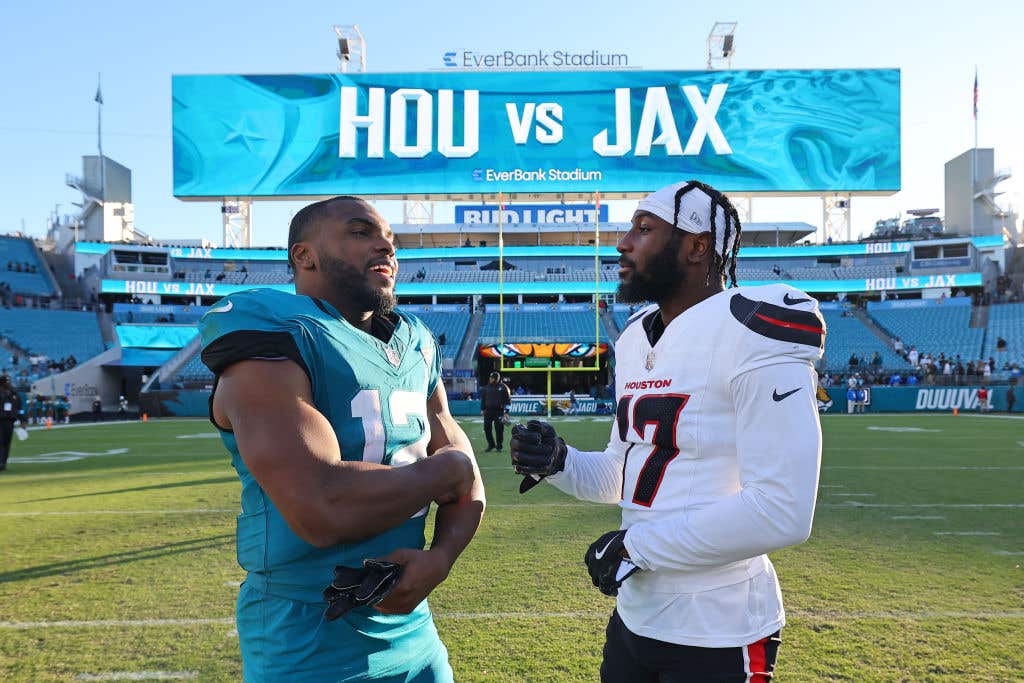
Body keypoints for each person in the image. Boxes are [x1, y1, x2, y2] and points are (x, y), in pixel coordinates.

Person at [509, 180, 824, 681]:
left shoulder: (753, 326)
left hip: (720, 627)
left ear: (698, 246)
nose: (623, 242)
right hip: (636, 617)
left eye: (644, 228)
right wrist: (560, 462)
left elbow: (782, 511)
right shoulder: (635, 337)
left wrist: (637, 547)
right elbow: (622, 474)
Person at [197, 196, 485, 682]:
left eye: (390, 240)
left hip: (411, 622)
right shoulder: (273, 336)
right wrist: (446, 470)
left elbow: (467, 479)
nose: (385, 247)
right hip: (309, 631)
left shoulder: (416, 341)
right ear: (303, 256)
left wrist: (440, 558)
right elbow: (322, 506)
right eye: (360, 232)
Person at [479, 371, 511, 452]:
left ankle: (499, 446)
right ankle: (491, 445)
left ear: (496, 378)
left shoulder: (503, 387)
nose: (490, 379)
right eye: (490, 377)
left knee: (499, 429)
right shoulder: (486, 388)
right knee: (487, 428)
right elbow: (483, 400)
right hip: (488, 411)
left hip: (499, 411)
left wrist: (507, 412)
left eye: (492, 378)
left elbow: (508, 401)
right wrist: (482, 409)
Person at [0, 375, 23, 472]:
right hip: (0, 420)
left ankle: (4, 462)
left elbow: (20, 408)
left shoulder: (14, 393)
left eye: (9, 381)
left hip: (10, 421)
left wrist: (23, 420)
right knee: (0, 442)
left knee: (7, 443)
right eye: (7, 381)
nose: (9, 383)